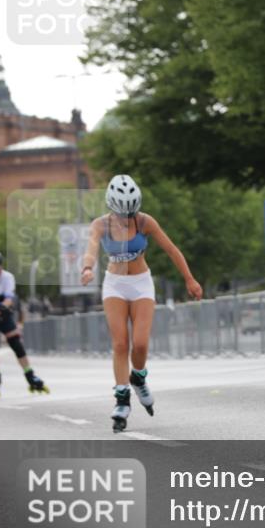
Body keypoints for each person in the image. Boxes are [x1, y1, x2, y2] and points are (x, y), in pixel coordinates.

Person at [81, 175, 203, 432]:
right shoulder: (100, 225)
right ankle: (122, 399)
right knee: (120, 343)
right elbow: (91, 247)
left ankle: (138, 377)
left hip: (141, 284)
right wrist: (87, 268)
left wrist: (190, 279)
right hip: (115, 283)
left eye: (130, 214)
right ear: (111, 207)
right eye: (122, 215)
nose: (127, 219)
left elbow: (172, 249)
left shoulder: (145, 222)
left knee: (141, 343)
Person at [0, 250, 47, 399]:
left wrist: (0, 308)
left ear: (0, 267)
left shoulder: (7, 278)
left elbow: (10, 299)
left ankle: (30, 375)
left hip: (2, 311)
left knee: (16, 343)